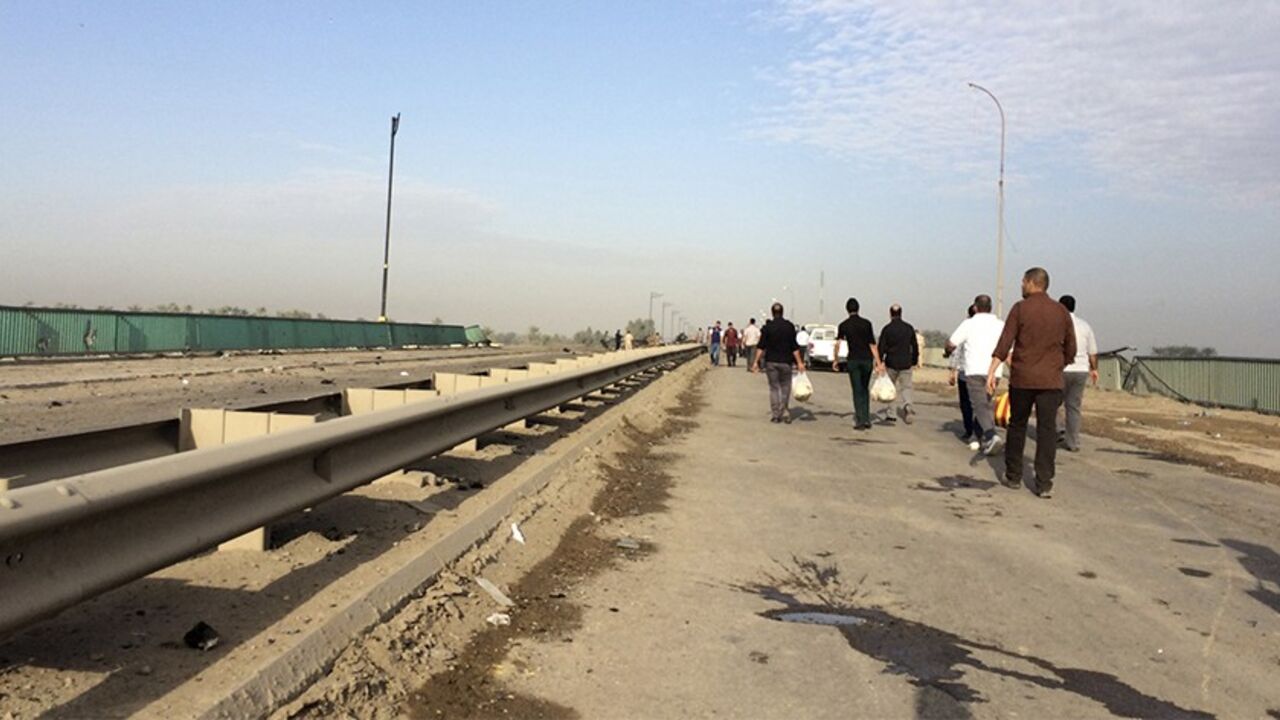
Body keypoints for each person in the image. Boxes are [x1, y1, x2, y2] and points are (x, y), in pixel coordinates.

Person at [987, 267, 1076, 498]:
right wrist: (1057, 366)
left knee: (1017, 425)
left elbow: (1005, 342)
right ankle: (1044, 482)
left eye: (1023, 282)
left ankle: (1014, 475)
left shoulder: (1020, 308)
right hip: (1051, 381)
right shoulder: (1061, 312)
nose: (1021, 286)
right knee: (1047, 431)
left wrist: (991, 372)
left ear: (1030, 282)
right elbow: (1071, 349)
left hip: (1023, 378)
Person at [947, 294, 1006, 455]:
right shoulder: (1001, 325)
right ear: (991, 307)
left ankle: (991, 435)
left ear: (975, 307)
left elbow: (952, 343)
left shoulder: (969, 324)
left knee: (979, 406)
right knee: (985, 404)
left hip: (974, 370)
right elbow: (1009, 349)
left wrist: (947, 352)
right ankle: (977, 436)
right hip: (995, 371)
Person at [833, 298, 882, 430]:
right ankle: (866, 419)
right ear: (858, 308)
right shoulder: (867, 324)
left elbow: (838, 344)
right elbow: (872, 344)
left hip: (853, 360)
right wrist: (878, 362)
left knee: (856, 390)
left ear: (847, 310)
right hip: (867, 360)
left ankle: (859, 420)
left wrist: (836, 359)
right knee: (865, 389)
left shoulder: (844, 325)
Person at [751, 303, 805, 423]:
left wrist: (755, 362)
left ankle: (776, 415)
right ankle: (784, 410)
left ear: (772, 313)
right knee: (786, 387)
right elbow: (794, 347)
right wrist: (800, 362)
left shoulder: (767, 328)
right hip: (786, 362)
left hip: (771, 362)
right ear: (782, 312)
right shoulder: (789, 327)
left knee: (774, 388)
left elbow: (761, 346)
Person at [1058, 294, 1098, 453]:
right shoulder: (1085, 326)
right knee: (1073, 406)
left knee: (1053, 403)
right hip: (1081, 370)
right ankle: (1073, 441)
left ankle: (1057, 431)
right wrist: (1094, 369)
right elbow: (1093, 352)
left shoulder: (1057, 325)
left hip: (1062, 369)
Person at [878, 304, 920, 424]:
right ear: (901, 313)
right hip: (906, 362)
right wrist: (914, 360)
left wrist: (879, 361)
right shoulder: (908, 328)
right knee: (906, 387)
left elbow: (882, 346)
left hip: (891, 362)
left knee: (891, 388)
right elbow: (915, 346)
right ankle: (907, 406)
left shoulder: (887, 329)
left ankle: (891, 414)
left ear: (890, 313)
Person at [946, 305, 979, 443]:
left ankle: (970, 430)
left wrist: (952, 370)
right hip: (984, 372)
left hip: (966, 372)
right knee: (981, 404)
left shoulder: (966, 326)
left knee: (966, 403)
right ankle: (980, 431)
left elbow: (956, 349)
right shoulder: (992, 326)